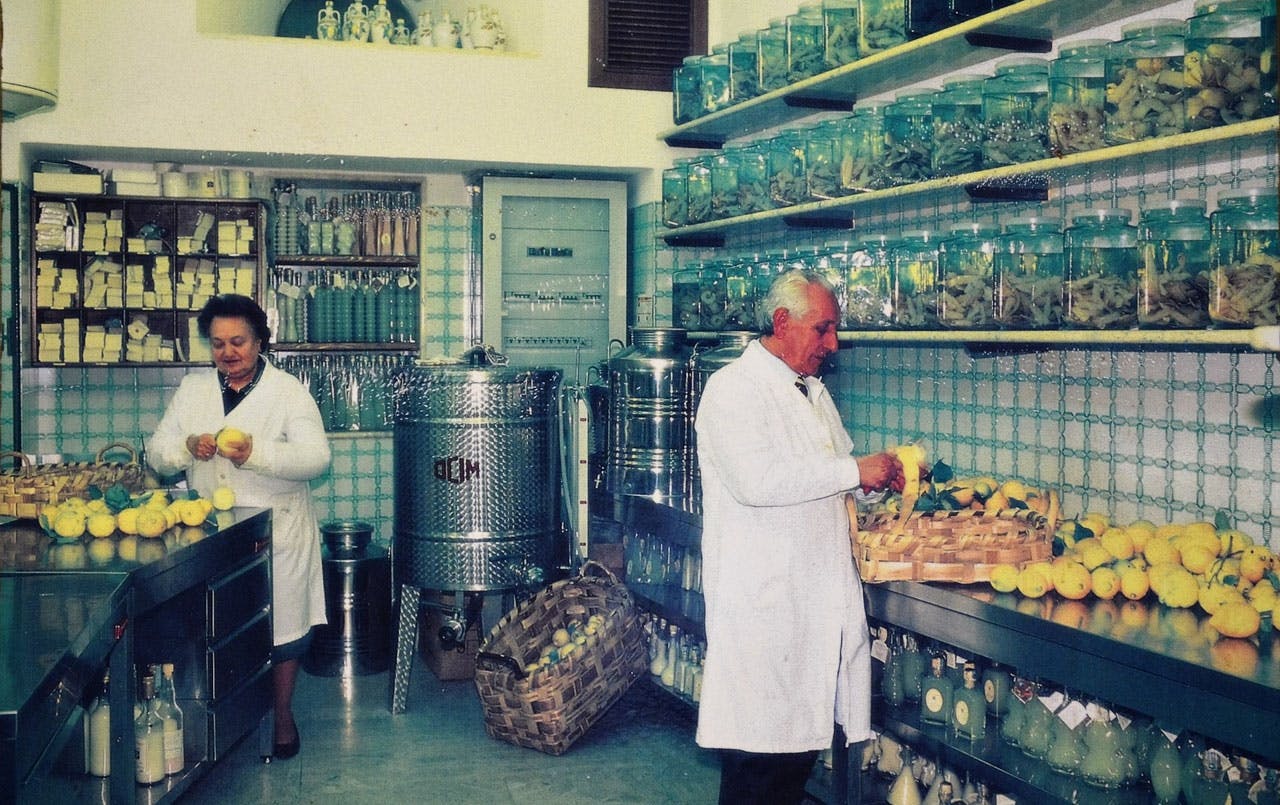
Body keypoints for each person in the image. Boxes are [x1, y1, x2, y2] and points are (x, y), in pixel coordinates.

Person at [693, 270, 900, 804]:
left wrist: (870, 485)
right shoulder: (733, 390)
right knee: (757, 771)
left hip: (809, 611)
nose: (833, 344)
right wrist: (854, 470)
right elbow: (758, 482)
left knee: (791, 768)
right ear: (782, 321)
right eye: (823, 329)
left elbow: (832, 476)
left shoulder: (810, 391)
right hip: (764, 614)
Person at [148, 294, 330, 761]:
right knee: (218, 628)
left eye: (239, 342)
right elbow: (157, 454)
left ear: (259, 341)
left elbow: (316, 458)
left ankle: (282, 715)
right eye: (218, 343)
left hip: (277, 529)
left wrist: (256, 453)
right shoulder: (193, 390)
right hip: (210, 532)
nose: (228, 352)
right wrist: (187, 446)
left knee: (283, 628)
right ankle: (224, 717)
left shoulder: (287, 391)